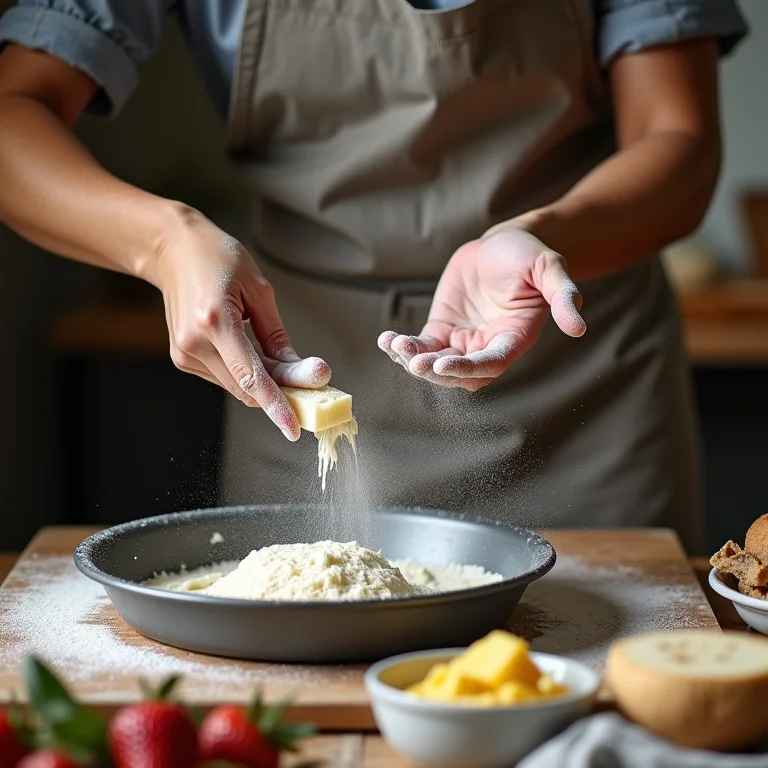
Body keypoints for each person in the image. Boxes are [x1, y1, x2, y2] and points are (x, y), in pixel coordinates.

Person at [0, 0, 748, 553]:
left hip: (575, 397)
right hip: (297, 386)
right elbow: (13, 113)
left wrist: (544, 235)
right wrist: (164, 243)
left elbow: (678, 137)